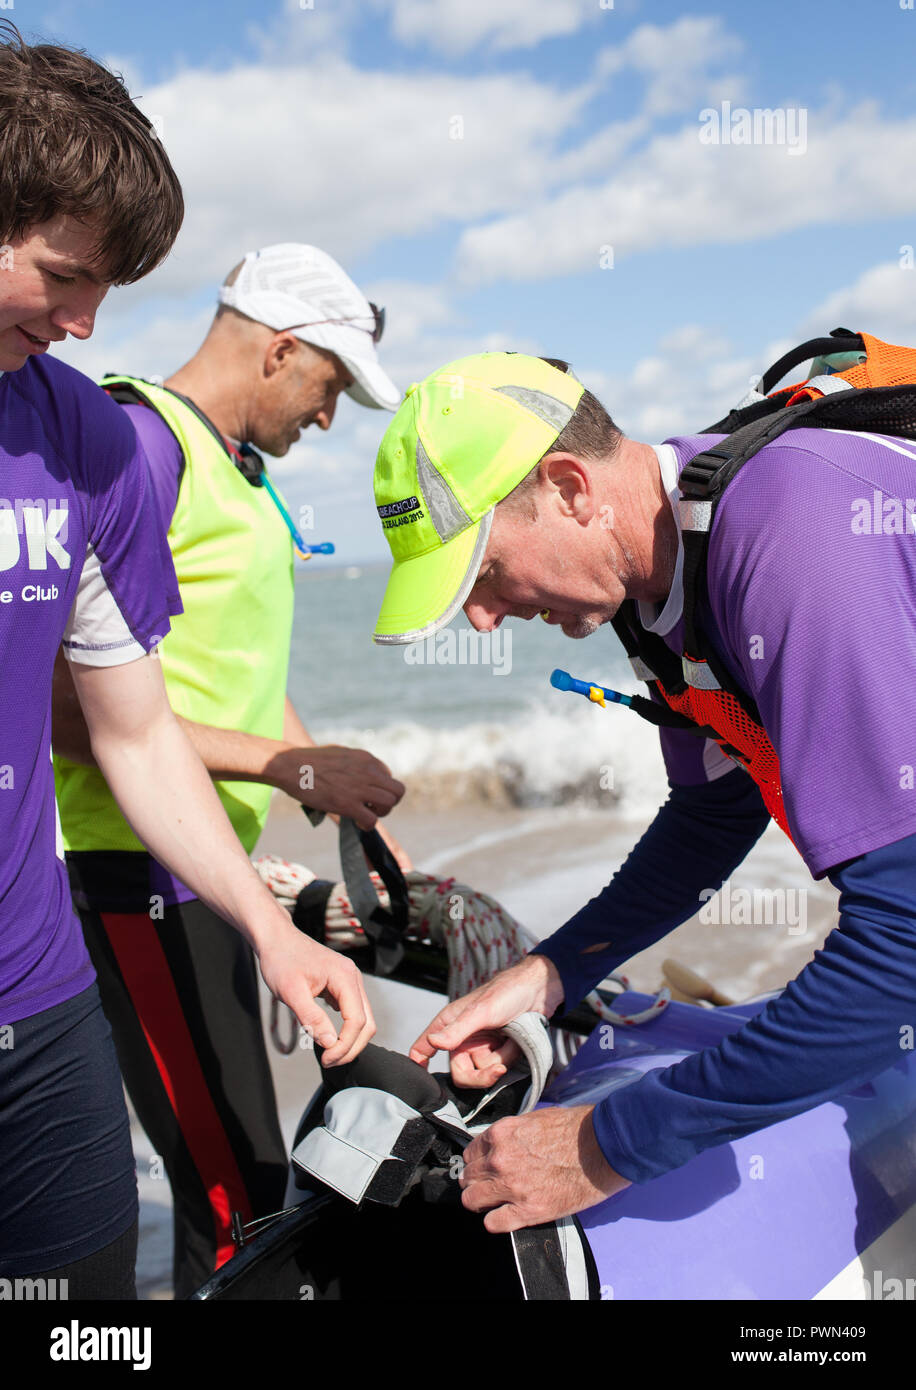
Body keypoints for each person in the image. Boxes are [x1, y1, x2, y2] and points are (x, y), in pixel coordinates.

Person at [369, 349, 916, 1234]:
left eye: (481, 570)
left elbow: (904, 947)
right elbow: (712, 814)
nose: (478, 616)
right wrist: (552, 972)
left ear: (570, 487)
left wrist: (607, 1147)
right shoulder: (661, 589)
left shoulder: (795, 539)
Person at [0, 23, 373, 1300]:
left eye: (109, 285)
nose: (89, 318)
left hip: (33, 981)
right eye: (62, 272)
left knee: (87, 1312)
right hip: (113, 884)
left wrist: (273, 928)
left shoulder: (79, 435)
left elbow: (136, 725)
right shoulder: (150, 440)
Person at [51, 243, 409, 1295]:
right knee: (235, 1199)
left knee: (256, 1172)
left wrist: (319, 779)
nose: (329, 416)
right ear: (280, 349)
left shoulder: (236, 469)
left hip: (212, 877)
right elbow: (73, 707)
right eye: (329, 386)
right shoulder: (142, 447)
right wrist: (291, 767)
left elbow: (232, 673)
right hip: (133, 870)